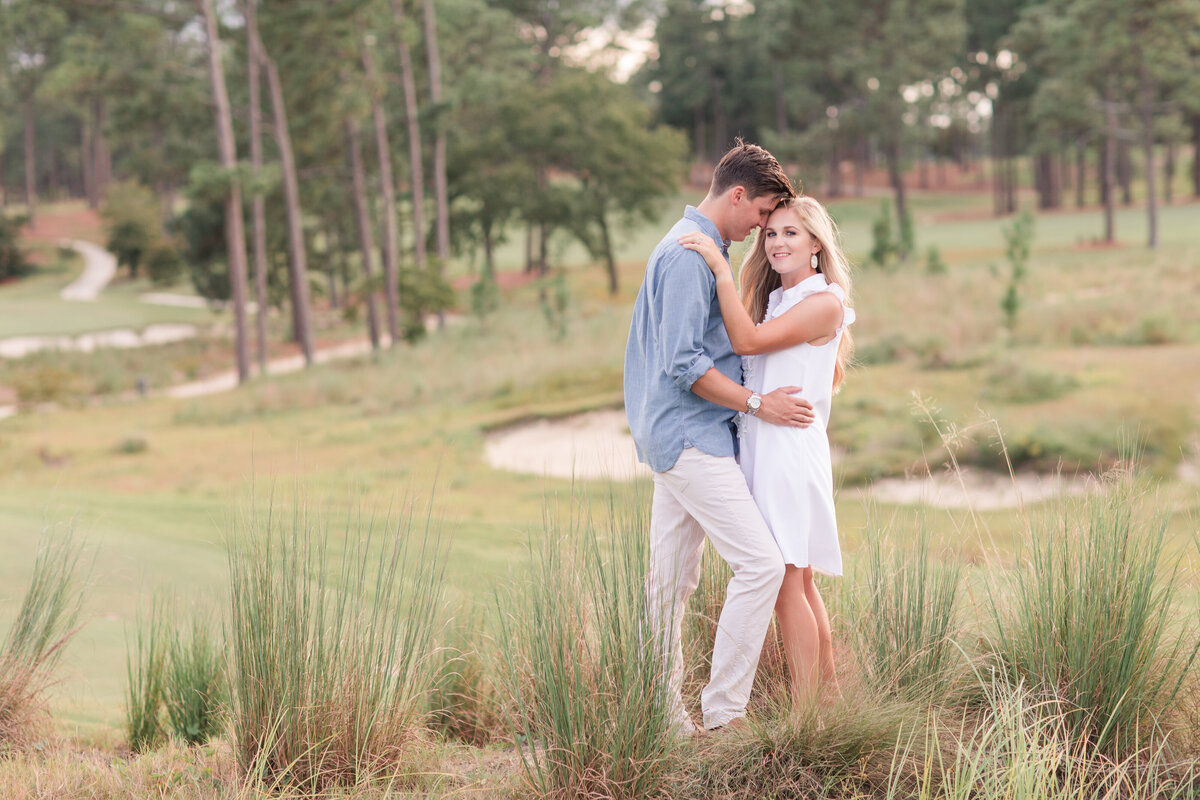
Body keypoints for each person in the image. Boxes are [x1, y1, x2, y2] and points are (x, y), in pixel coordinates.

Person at [624, 140, 815, 735]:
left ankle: (662, 719)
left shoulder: (699, 248)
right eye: (760, 214)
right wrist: (759, 404)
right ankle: (724, 713)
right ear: (737, 195)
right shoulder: (687, 256)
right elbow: (684, 363)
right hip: (690, 438)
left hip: (673, 436)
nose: (763, 228)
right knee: (760, 566)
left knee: (670, 584)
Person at [677, 195, 855, 704]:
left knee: (785, 587)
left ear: (816, 244)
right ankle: (826, 702)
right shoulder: (783, 298)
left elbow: (749, 343)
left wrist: (719, 268)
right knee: (799, 581)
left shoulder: (824, 302)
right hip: (767, 447)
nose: (777, 242)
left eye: (791, 233)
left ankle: (806, 715)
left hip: (788, 455)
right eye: (770, 233)